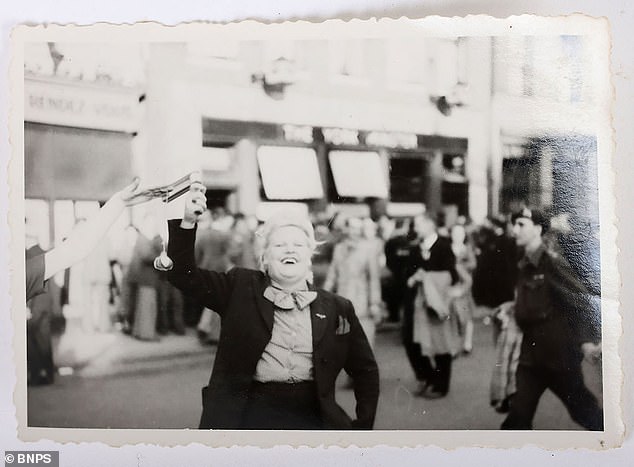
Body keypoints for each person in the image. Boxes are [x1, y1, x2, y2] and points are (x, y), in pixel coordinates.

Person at [167, 183, 379, 430]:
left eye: (298, 245)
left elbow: (366, 371)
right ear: (265, 257)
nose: (290, 249)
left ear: (310, 254)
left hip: (313, 422)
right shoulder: (240, 286)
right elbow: (182, 274)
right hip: (249, 419)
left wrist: (363, 428)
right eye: (279, 245)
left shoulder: (338, 307)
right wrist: (187, 222)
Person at [500, 207, 603, 430]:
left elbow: (579, 303)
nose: (514, 229)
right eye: (514, 224)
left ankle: (619, 443)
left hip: (559, 356)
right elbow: (534, 298)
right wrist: (512, 307)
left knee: (585, 413)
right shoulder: (523, 262)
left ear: (538, 229)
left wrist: (585, 342)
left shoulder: (551, 263)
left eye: (521, 225)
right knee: (517, 417)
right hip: (530, 357)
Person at [25, 178, 145, 302]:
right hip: (101, 275)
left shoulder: (20, 276)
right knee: (100, 308)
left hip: (90, 275)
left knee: (90, 307)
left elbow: (74, 249)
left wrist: (119, 203)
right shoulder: (107, 240)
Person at [403, 213, 460, 399]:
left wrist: (426, 277)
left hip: (436, 303)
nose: (415, 229)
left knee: (440, 343)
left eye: (418, 225)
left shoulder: (444, 246)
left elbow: (453, 275)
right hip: (416, 302)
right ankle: (426, 377)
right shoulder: (414, 248)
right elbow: (406, 274)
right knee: (410, 340)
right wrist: (412, 278)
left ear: (430, 225)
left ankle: (441, 385)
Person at [323, 217, 382, 349]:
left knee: (364, 344)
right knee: (343, 344)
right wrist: (323, 296)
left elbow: (373, 278)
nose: (354, 232)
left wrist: (374, 303)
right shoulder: (339, 248)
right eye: (352, 228)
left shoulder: (368, 249)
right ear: (346, 229)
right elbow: (332, 275)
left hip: (362, 303)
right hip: (342, 301)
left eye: (358, 229)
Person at [449, 223, 477, 354]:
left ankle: (467, 343)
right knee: (453, 315)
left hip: (464, 285)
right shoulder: (449, 248)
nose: (457, 237)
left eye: (460, 234)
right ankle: (454, 345)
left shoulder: (467, 248)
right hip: (452, 285)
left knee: (467, 316)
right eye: (455, 234)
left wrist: (460, 267)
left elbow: (473, 264)